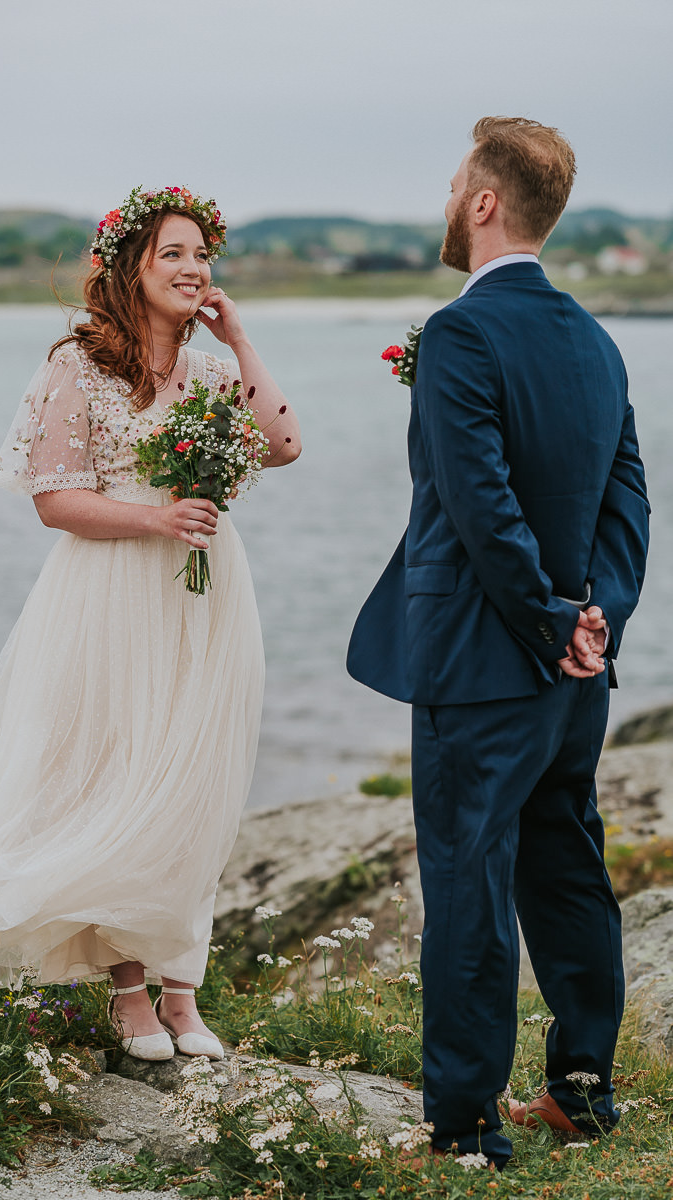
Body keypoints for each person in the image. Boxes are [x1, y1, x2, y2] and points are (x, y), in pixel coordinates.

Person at [0, 185, 301, 1062]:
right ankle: (131, 993)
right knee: (115, 772)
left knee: (196, 782)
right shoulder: (80, 363)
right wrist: (155, 518)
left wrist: (241, 338)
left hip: (207, 593)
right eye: (172, 255)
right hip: (111, 592)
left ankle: (185, 988)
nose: (193, 269)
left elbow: (284, 444)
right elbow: (53, 501)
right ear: (130, 268)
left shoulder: (216, 367)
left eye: (200, 255)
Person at [347, 118, 649, 1166]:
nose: (445, 198)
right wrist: (598, 613)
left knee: (470, 878)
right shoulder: (595, 339)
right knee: (566, 860)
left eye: (452, 182)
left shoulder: (462, 336)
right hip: (576, 671)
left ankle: (467, 1123)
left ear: (483, 203)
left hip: (486, 664)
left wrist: (551, 622)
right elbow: (628, 502)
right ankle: (581, 1089)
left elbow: (478, 506)